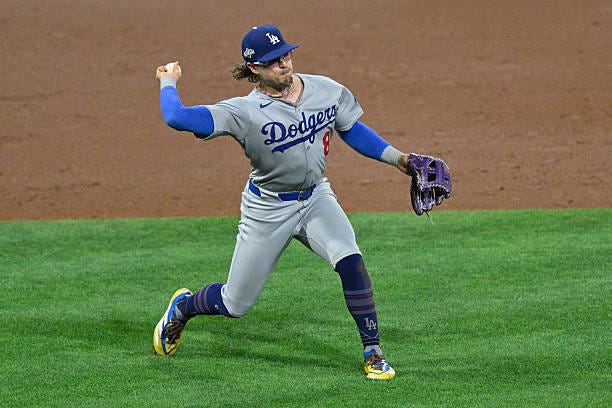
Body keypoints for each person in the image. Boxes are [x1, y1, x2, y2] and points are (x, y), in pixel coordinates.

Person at [153, 25, 413, 380]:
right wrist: (168, 81)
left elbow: (350, 128)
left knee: (351, 261)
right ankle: (182, 308)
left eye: (286, 54)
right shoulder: (242, 112)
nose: (284, 64)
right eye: (273, 61)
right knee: (234, 304)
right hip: (268, 209)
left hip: (317, 196)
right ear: (254, 69)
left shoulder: (325, 89)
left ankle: (373, 352)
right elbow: (176, 117)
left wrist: (400, 160)